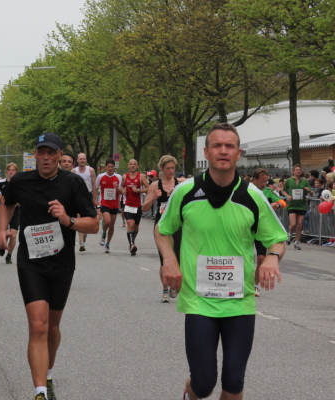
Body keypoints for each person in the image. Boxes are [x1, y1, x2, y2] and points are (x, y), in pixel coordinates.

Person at [155, 123, 287, 400]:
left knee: (234, 382)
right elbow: (163, 229)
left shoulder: (253, 197)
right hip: (198, 299)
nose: (223, 151)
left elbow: (277, 238)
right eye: (217, 145)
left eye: (229, 146)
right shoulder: (186, 192)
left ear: (238, 153)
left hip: (239, 301)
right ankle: (191, 390)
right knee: (204, 384)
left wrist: (272, 258)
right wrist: (169, 259)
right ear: (206, 152)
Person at [0, 132, 98, 400]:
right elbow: (6, 203)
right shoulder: (21, 181)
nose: (45, 157)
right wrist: (3, 229)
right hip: (30, 262)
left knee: (52, 327)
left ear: (59, 155)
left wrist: (67, 219)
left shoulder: (73, 183)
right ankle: (40, 391)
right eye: (41, 152)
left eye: (51, 152)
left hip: (62, 264)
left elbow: (94, 224)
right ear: (35, 154)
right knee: (38, 325)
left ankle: (48, 373)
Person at [142, 155, 183, 302]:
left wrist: (177, 196)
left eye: (173, 168)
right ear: (162, 169)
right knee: (164, 259)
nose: (171, 171)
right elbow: (144, 208)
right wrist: (154, 197)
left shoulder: (180, 184)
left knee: (178, 257)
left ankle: (173, 286)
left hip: (177, 223)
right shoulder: (155, 185)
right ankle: (165, 289)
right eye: (168, 168)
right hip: (161, 225)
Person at [251, 168, 284, 297]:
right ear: (254, 180)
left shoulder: (268, 191)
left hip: (262, 228)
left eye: (266, 181)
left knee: (261, 258)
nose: (265, 184)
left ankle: (254, 286)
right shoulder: (246, 190)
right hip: (246, 228)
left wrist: (278, 205)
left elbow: (282, 201)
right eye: (262, 181)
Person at [120, 159, 149, 256]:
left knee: (136, 227)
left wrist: (139, 190)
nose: (132, 165)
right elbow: (121, 187)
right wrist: (122, 191)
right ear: (128, 166)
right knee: (130, 224)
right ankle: (132, 244)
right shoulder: (125, 177)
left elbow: (149, 188)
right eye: (131, 164)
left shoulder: (141, 177)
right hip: (128, 204)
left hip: (138, 205)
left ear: (137, 166)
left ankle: (132, 242)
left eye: (134, 164)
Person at [72, 153, 97, 252]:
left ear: (86, 160)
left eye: (83, 159)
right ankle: (81, 242)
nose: (82, 160)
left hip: (88, 196)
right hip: (77, 196)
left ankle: (84, 233)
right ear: (77, 160)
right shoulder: (74, 171)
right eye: (80, 159)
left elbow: (94, 185)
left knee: (86, 217)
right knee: (79, 217)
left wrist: (94, 198)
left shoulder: (90, 170)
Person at [96, 158, 122, 253]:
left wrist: (117, 188)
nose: (110, 168)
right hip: (105, 202)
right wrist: (96, 200)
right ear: (106, 167)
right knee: (107, 221)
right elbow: (96, 188)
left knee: (111, 226)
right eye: (108, 166)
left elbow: (122, 192)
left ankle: (107, 244)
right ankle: (103, 234)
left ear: (114, 167)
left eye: (112, 166)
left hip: (114, 204)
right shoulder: (100, 176)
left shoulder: (119, 177)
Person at [282, 164, 310, 250]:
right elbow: (283, 191)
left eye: (299, 170)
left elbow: (311, 192)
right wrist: (288, 196)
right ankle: (290, 235)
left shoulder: (305, 181)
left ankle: (297, 242)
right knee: (293, 224)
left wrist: (309, 190)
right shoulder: (289, 180)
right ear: (293, 172)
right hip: (292, 205)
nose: (298, 171)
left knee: (300, 225)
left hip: (301, 205)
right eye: (297, 170)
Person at [0, 163, 20, 264]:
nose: (11, 172)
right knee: (4, 232)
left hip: (16, 210)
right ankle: (3, 245)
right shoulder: (0, 183)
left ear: (16, 172)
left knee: (13, 235)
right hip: (4, 211)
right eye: (9, 170)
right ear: (6, 171)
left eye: (13, 170)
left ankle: (9, 255)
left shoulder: (20, 183)